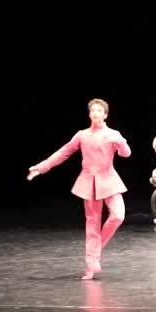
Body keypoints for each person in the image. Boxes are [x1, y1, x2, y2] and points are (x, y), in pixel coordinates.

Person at [27, 99, 131, 280]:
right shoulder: (82, 135)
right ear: (89, 114)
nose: (96, 113)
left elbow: (125, 154)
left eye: (99, 110)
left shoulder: (113, 133)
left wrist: (121, 142)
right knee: (92, 224)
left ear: (105, 115)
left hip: (109, 180)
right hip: (88, 182)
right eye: (93, 110)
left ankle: (95, 251)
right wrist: (41, 167)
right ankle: (91, 264)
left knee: (118, 215)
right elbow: (63, 152)